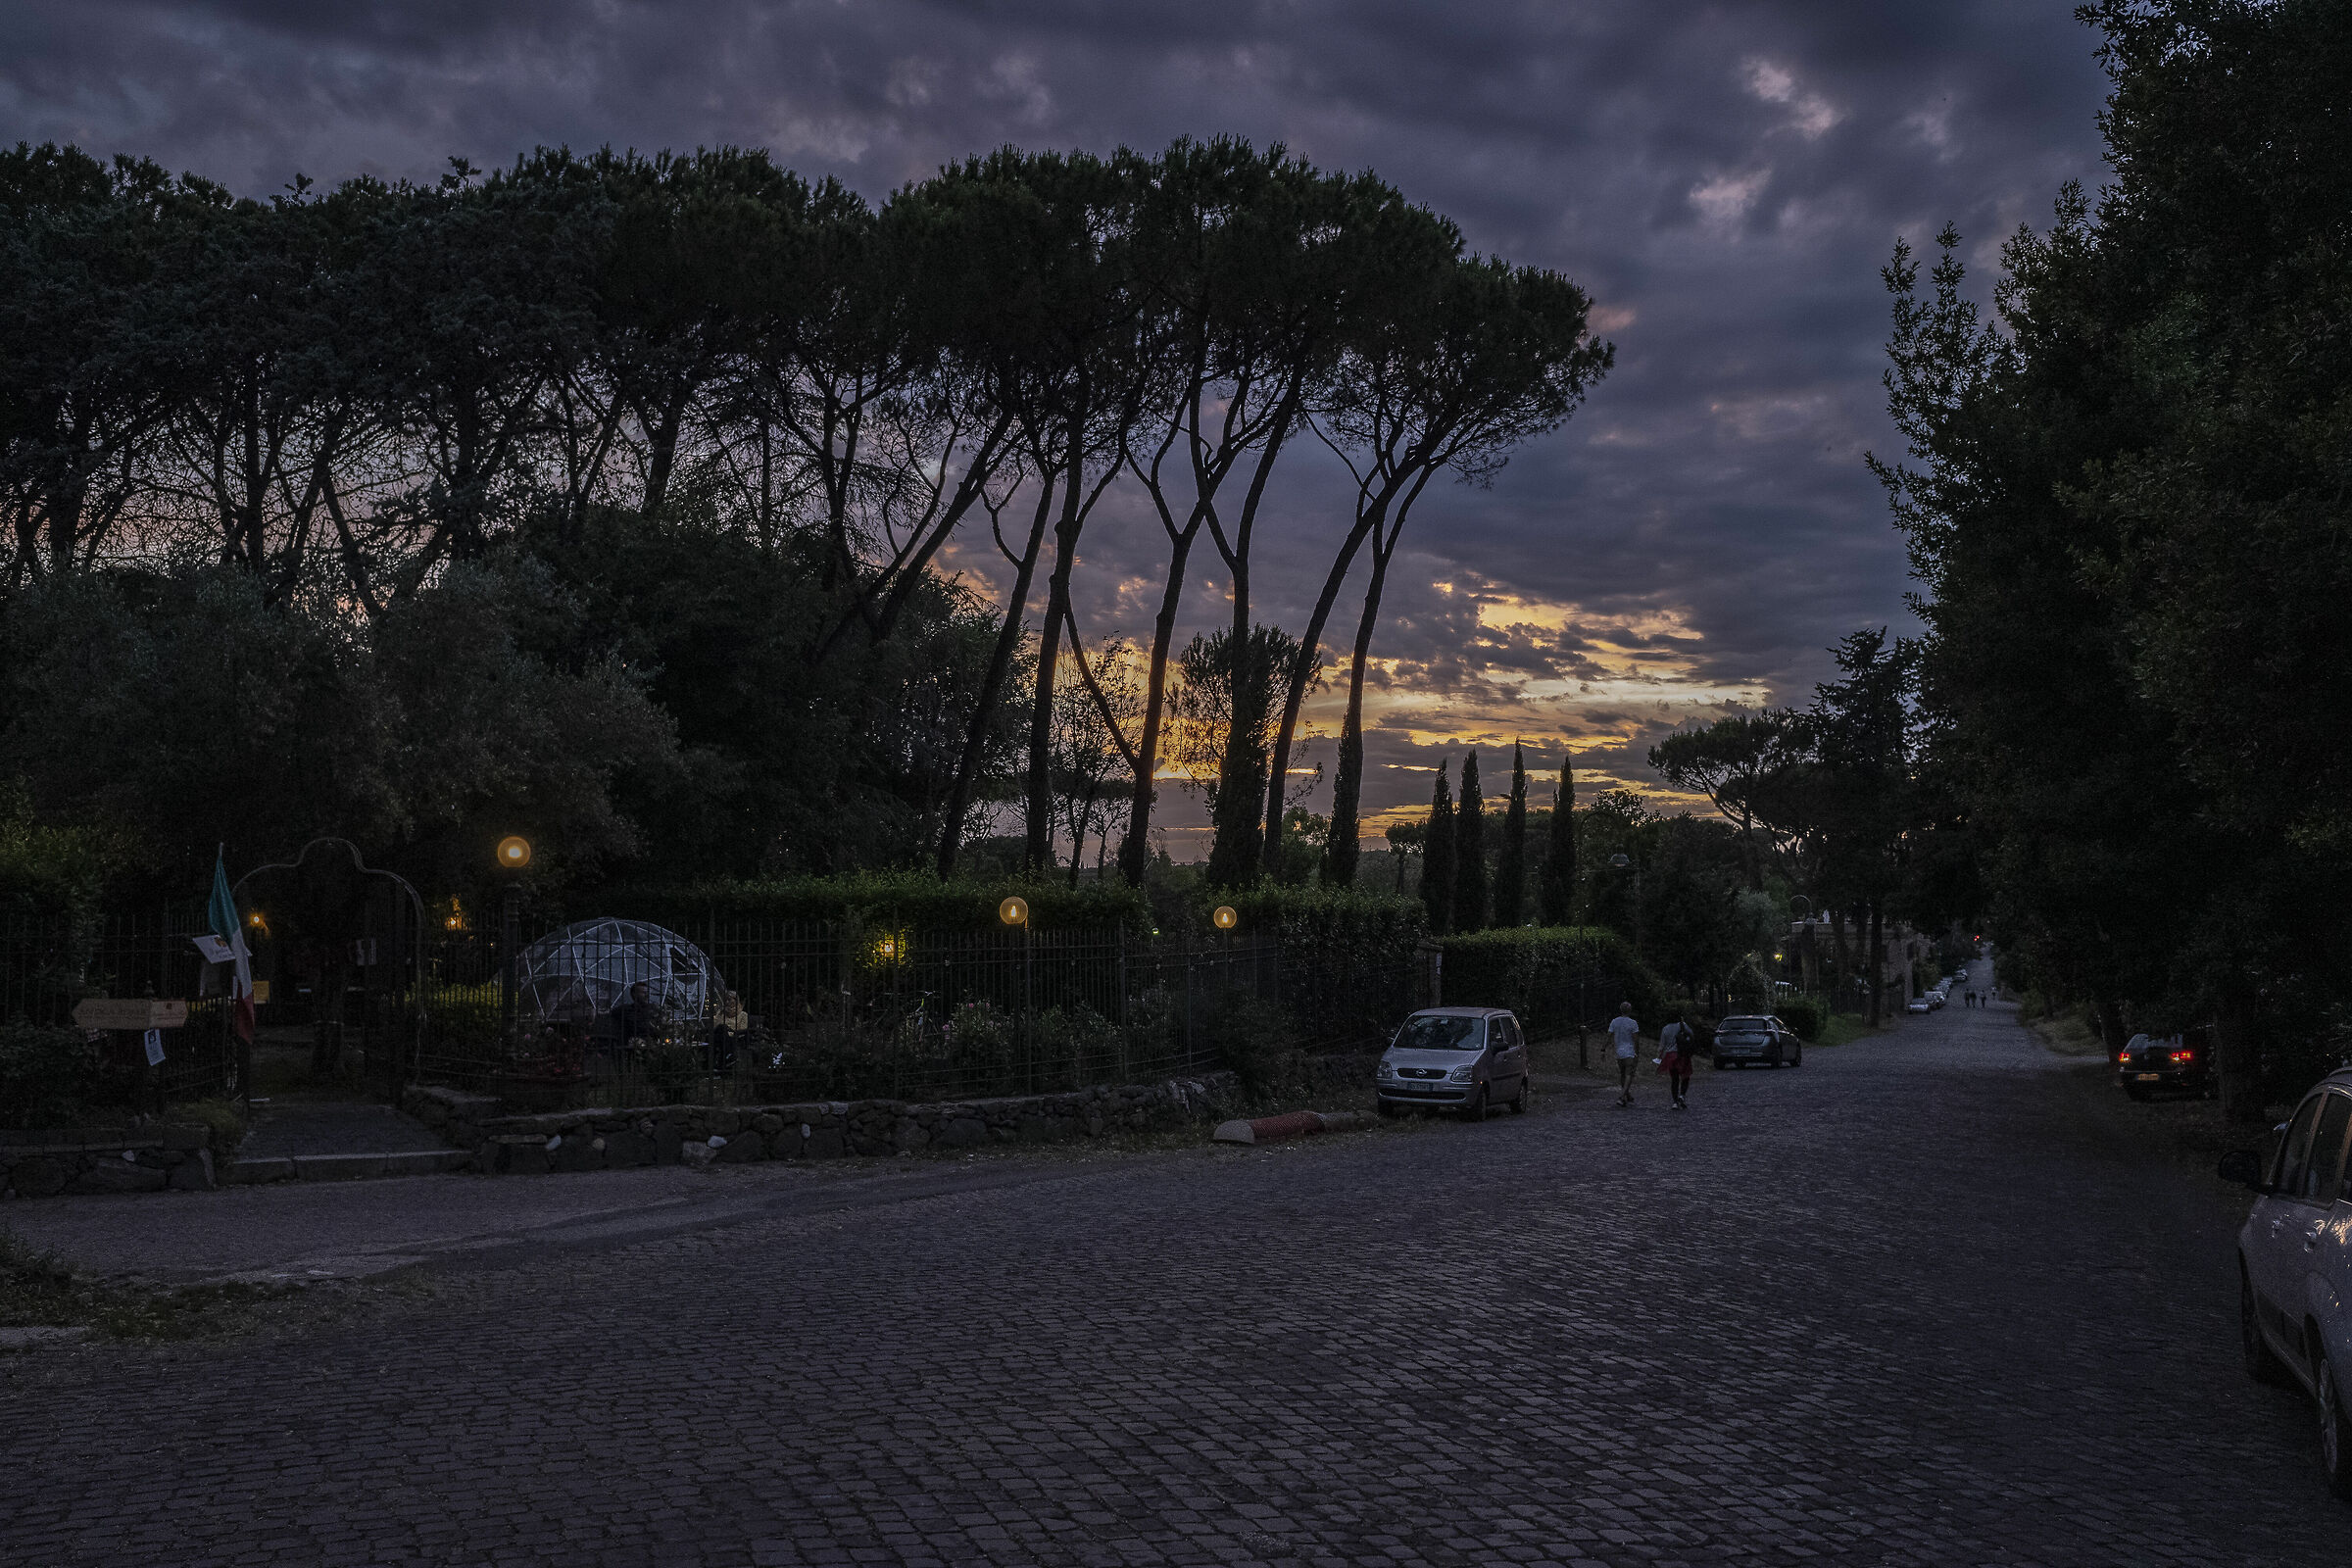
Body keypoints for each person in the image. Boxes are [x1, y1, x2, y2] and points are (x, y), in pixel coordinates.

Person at [1658, 1013, 1695, 1109]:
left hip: (1670, 1056)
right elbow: (1691, 1035)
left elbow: (1662, 1045)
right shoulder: (1683, 1025)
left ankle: (1675, 1102)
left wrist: (1660, 1056)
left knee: (1674, 1079)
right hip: (1682, 1054)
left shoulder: (1665, 1029)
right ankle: (1682, 1095)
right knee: (1686, 1077)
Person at [1608, 1003, 1641, 1106]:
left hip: (1619, 1052)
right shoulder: (1633, 1023)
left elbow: (1609, 1035)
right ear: (1630, 1011)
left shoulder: (1614, 1022)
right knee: (1629, 1075)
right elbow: (1636, 1040)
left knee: (1622, 1075)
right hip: (1629, 1052)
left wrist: (1603, 1048)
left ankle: (1627, 1095)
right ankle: (1622, 1097)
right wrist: (1637, 1052)